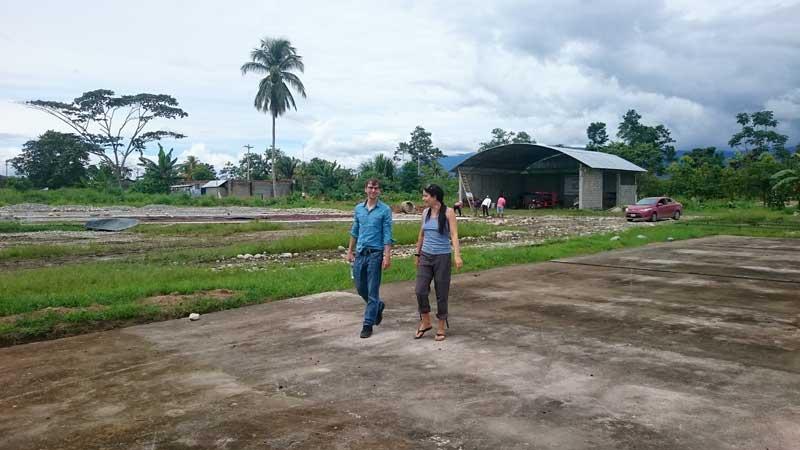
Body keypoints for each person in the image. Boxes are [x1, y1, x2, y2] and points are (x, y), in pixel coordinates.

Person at [413, 184, 463, 341]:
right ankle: (426, 320)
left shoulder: (448, 213)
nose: (424, 199)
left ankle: (441, 326)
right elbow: (421, 234)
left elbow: (454, 235)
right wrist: (417, 253)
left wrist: (457, 255)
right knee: (420, 290)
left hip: (442, 257)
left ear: (434, 197)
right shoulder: (425, 212)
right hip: (426, 256)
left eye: (426, 196)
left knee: (441, 292)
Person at [346, 178, 393, 338]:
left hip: (375, 254)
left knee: (373, 290)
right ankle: (378, 306)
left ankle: (368, 324)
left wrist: (387, 255)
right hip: (360, 253)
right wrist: (350, 251)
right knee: (360, 288)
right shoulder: (359, 208)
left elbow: (387, 234)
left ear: (379, 191)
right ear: (365, 189)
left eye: (376, 188)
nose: (373, 191)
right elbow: (355, 230)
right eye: (370, 188)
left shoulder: (385, 210)